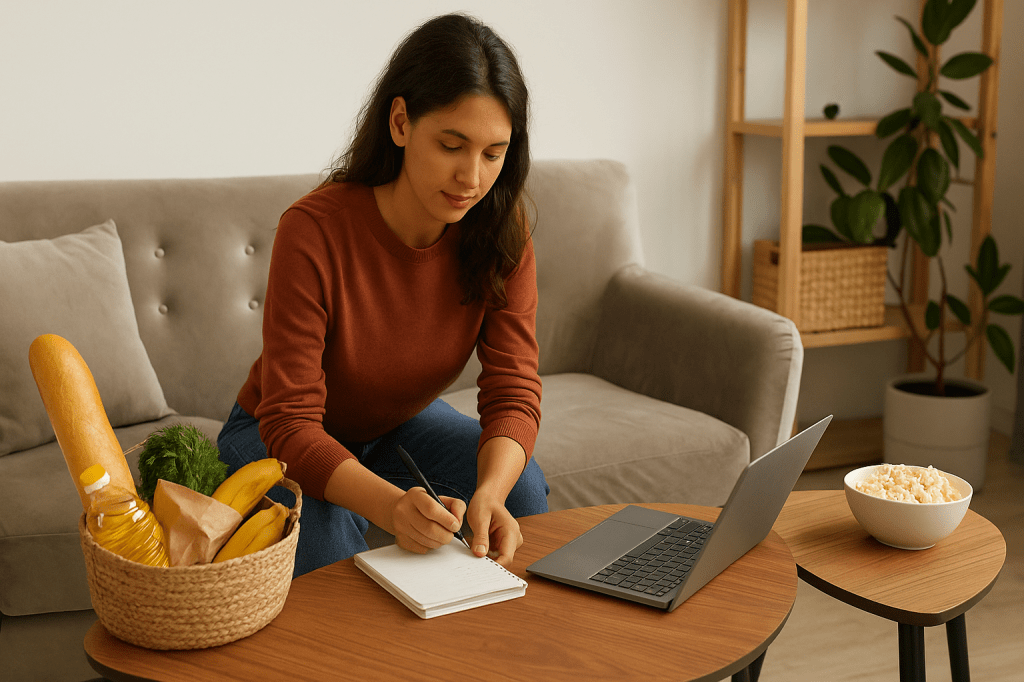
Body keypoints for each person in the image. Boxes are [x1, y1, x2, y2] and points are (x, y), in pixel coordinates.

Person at [216, 12, 548, 578]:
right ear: (400, 122)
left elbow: (513, 389)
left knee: (521, 495)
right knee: (326, 542)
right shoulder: (314, 230)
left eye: (493, 154)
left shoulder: (501, 232)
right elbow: (292, 423)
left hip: (394, 426)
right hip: (274, 434)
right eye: (452, 144)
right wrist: (393, 508)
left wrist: (489, 491)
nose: (472, 176)